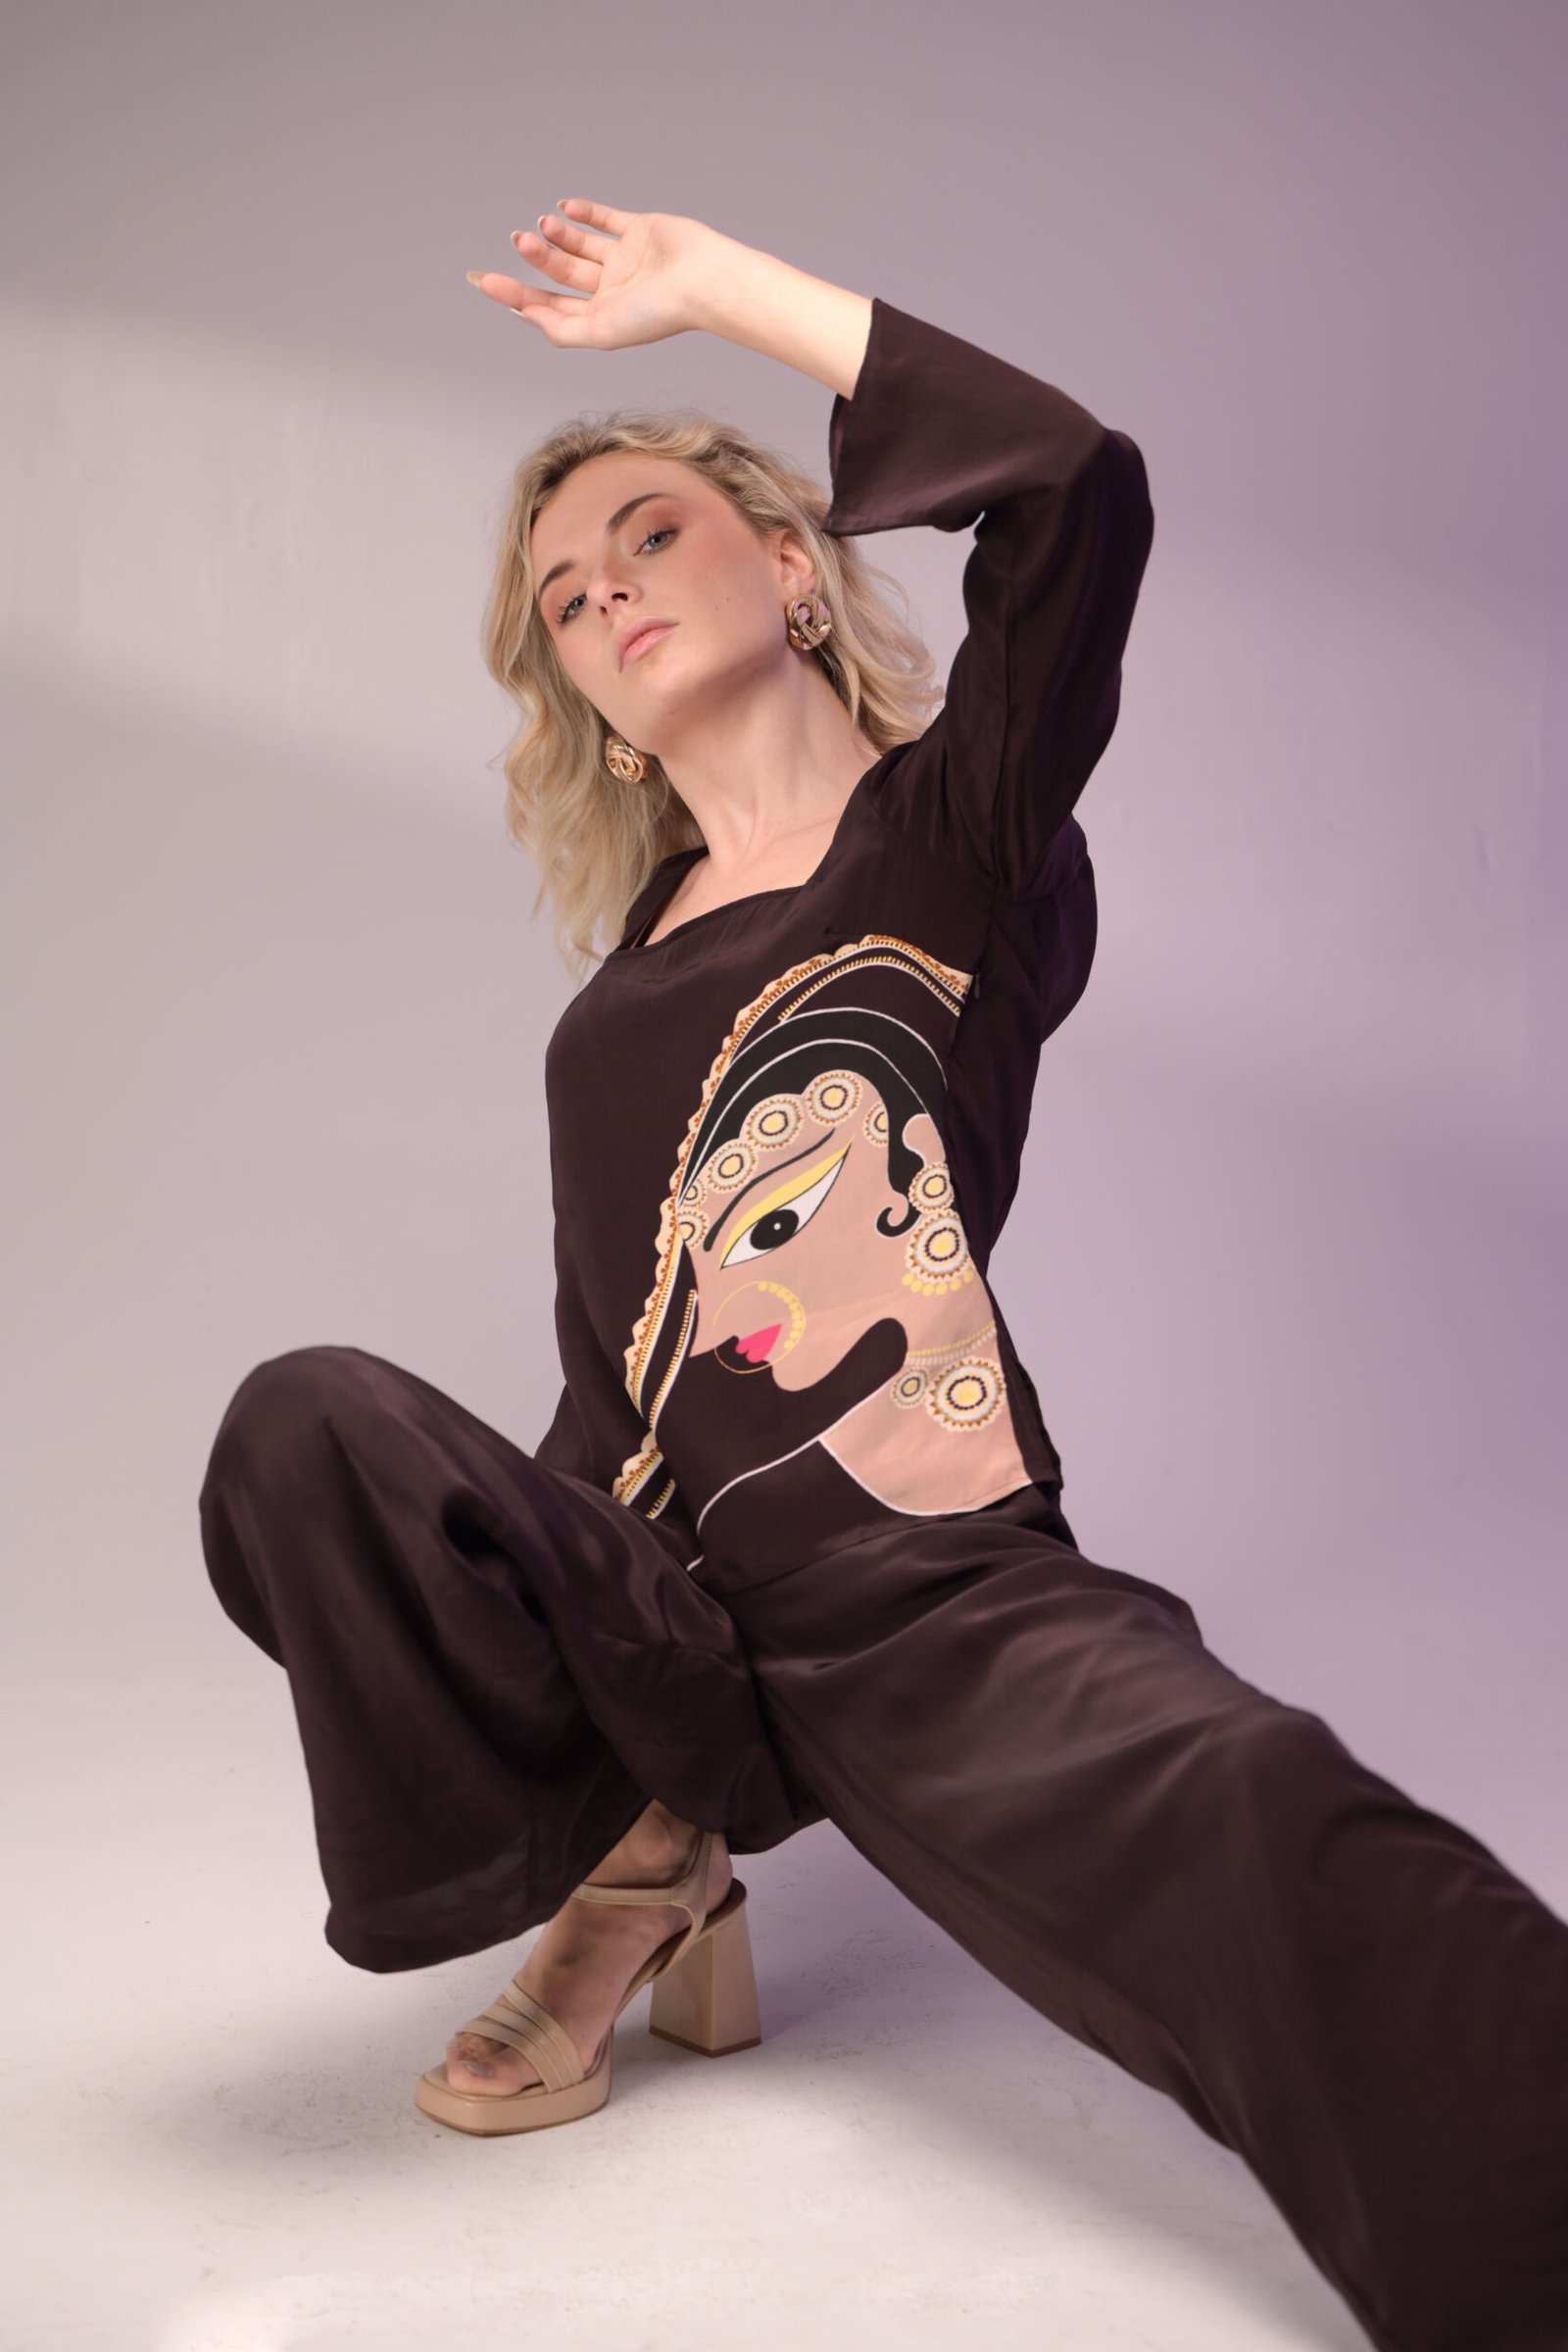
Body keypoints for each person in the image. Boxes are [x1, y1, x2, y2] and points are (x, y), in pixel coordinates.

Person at [199, 201, 1568, 2351]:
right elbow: (616, 1383)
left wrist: (710, 290)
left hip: (917, 1585)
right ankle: (642, 1844)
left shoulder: (955, 840)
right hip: (669, 1614)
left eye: (647, 535)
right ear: (582, 699)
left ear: (792, 565)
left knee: (1249, 1798)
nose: (603, 592)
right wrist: (556, 1614)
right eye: (563, 596)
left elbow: (1074, 486)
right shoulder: (608, 1021)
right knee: (304, 1421)